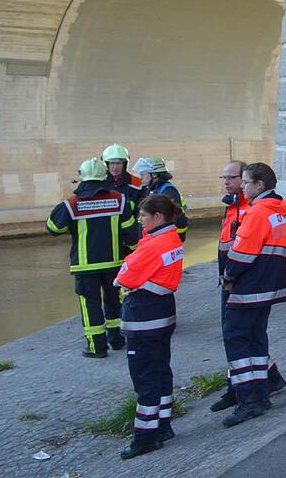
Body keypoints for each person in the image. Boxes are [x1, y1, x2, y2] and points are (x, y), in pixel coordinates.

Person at [210, 161, 286, 413]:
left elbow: (242, 252)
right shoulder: (276, 209)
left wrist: (229, 275)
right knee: (254, 339)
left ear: (259, 184)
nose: (240, 186)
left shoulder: (256, 211)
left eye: (244, 182)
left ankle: (248, 398)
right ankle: (258, 393)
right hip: (265, 285)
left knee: (237, 339)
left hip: (247, 286)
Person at [113, 194, 184, 459]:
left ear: (157, 217)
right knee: (161, 370)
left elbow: (123, 278)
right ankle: (163, 425)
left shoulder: (153, 245)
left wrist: (126, 277)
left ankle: (144, 437)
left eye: (143, 215)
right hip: (163, 314)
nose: (139, 220)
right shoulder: (172, 239)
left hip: (144, 317)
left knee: (144, 378)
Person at [46, 158, 136, 357]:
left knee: (91, 305)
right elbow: (131, 233)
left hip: (85, 267)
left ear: (82, 177)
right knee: (114, 301)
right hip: (114, 263)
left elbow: (53, 228)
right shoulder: (119, 200)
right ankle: (117, 339)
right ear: (104, 176)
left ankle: (97, 348)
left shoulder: (71, 204)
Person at [132, 157, 189, 241]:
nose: (140, 177)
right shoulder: (152, 189)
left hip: (163, 241)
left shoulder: (168, 191)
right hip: (152, 240)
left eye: (143, 174)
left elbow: (174, 220)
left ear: (154, 174)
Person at [103, 143, 143, 213]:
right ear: (106, 164)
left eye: (118, 163)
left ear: (124, 164)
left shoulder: (136, 182)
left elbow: (142, 207)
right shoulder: (100, 182)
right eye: (112, 163)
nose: (115, 167)